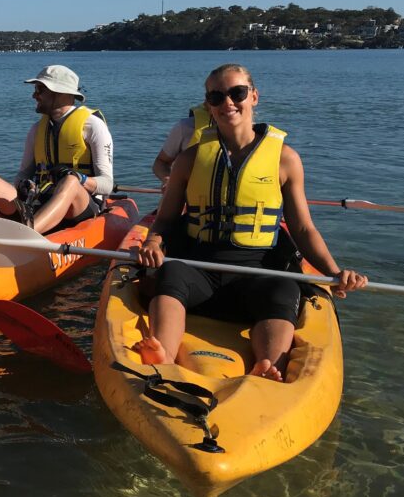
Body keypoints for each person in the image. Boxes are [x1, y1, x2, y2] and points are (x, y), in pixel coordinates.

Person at [133, 63, 368, 381]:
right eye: (217, 97)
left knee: (283, 287)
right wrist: (152, 241)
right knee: (172, 273)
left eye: (237, 93)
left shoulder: (285, 159)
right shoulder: (189, 159)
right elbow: (166, 219)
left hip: (255, 271)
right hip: (199, 266)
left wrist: (334, 272)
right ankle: (163, 354)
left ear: (254, 97)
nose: (227, 102)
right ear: (208, 106)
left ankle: (269, 365)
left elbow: (302, 228)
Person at [0, 65, 114, 234]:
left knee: (70, 182)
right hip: (40, 202)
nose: (34, 95)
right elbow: (23, 174)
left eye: (39, 90)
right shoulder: (37, 130)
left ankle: (26, 236)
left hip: (80, 208)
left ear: (59, 92)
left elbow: (107, 185)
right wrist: (22, 183)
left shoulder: (93, 126)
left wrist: (78, 178)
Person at [151, 103, 212, 187]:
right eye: (217, 97)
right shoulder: (186, 127)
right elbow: (160, 162)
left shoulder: (236, 133)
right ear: (207, 102)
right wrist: (168, 180)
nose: (228, 103)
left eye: (235, 96)